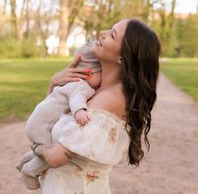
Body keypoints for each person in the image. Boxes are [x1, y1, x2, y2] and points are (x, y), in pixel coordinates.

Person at [24, 18, 160, 194]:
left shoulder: (110, 99)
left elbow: (57, 157)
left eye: (112, 34)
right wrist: (55, 85)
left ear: (122, 57)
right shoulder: (94, 88)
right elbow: (49, 120)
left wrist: (36, 148)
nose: (101, 33)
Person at [16, 41, 102, 190]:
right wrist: (80, 111)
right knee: (53, 151)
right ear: (89, 73)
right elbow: (77, 99)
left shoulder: (70, 82)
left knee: (45, 148)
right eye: (101, 74)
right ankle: (29, 172)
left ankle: (26, 159)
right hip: (42, 126)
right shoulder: (82, 85)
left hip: (37, 121)